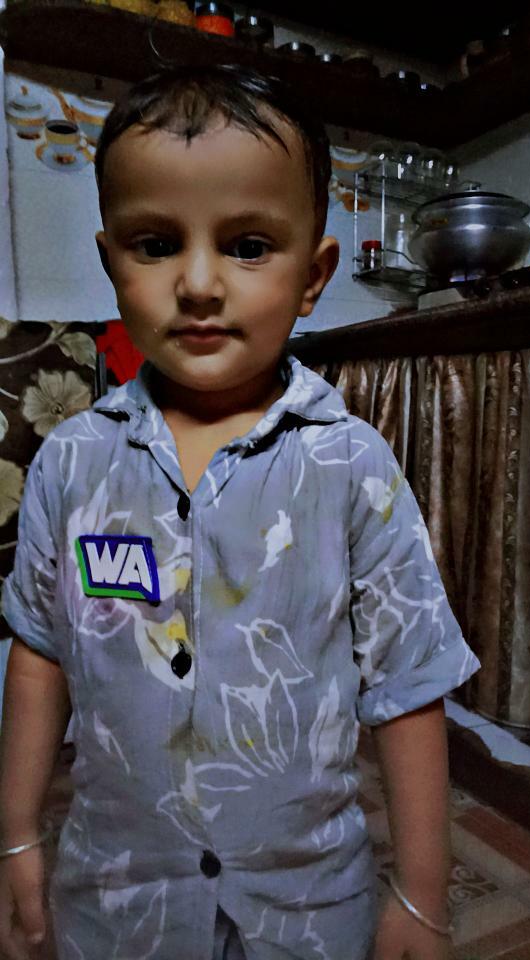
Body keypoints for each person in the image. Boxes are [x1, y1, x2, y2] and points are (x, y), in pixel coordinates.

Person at [0, 64, 480, 960]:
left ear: (314, 274)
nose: (198, 283)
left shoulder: (352, 465)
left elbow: (408, 684)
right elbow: (39, 652)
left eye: (249, 245)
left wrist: (422, 896)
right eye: (155, 244)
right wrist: (18, 835)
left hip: (309, 903)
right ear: (111, 263)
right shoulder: (71, 462)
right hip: (118, 900)